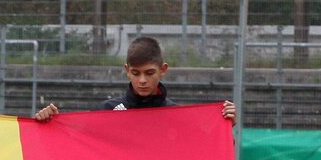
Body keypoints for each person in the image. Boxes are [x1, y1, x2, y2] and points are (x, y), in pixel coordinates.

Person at [33, 36, 236, 122]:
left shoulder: (175, 115)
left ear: (163, 69)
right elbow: (77, 156)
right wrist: (51, 123)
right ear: (126, 70)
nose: (142, 80)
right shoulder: (108, 112)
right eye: (136, 73)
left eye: (149, 73)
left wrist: (226, 128)